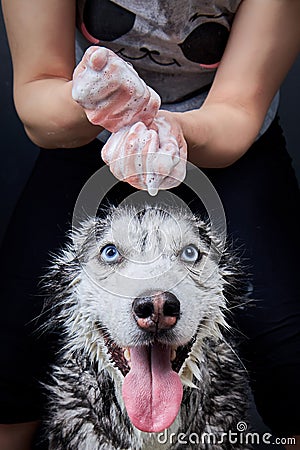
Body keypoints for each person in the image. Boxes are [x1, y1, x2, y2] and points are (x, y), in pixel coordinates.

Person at [1, 0, 300, 449]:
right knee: (9, 349)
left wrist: (169, 131)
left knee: (291, 357)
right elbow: (37, 97)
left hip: (219, 138)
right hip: (84, 133)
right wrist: (94, 102)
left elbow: (237, 109)